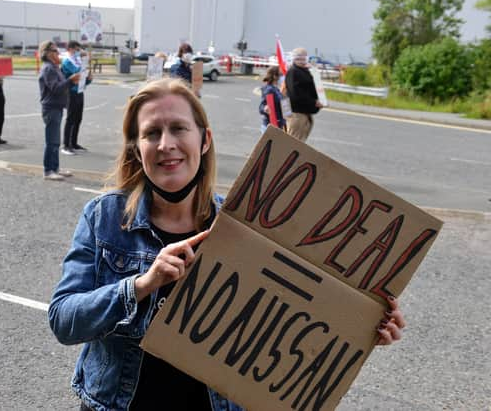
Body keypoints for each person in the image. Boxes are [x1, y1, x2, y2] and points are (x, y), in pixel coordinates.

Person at [48, 78, 406, 411]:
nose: (166, 144)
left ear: (204, 140)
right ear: (136, 147)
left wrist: (359, 328)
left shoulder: (245, 224)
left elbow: (286, 324)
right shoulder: (103, 217)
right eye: (151, 133)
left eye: (178, 128)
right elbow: (64, 320)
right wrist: (143, 284)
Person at [38, 40, 81, 181]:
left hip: (56, 107)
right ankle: (48, 170)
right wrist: (70, 80)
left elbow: (61, 85)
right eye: (55, 51)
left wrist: (73, 80)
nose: (58, 53)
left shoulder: (54, 67)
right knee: (51, 141)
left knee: (55, 141)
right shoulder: (48, 69)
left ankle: (55, 168)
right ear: (48, 53)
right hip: (51, 108)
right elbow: (55, 88)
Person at [61, 40, 93, 155]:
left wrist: (89, 79)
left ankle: (74, 143)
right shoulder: (67, 61)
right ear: (70, 49)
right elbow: (77, 73)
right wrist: (85, 62)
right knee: (70, 119)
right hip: (70, 92)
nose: (78, 52)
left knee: (78, 118)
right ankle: (66, 145)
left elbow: (82, 77)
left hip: (80, 92)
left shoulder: (77, 61)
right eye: (77, 49)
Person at [284, 47, 323, 142]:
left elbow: (312, 87)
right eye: (298, 58)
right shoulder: (293, 71)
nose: (301, 61)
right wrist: (314, 102)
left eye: (304, 58)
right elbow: (295, 94)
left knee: (299, 142)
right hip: (297, 113)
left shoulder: (304, 71)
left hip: (305, 112)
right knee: (293, 141)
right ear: (293, 59)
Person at [259, 66, 287, 134]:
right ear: (275, 76)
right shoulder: (269, 90)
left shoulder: (276, 89)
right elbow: (261, 106)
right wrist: (265, 108)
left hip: (277, 125)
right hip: (270, 126)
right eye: (281, 75)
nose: (282, 77)